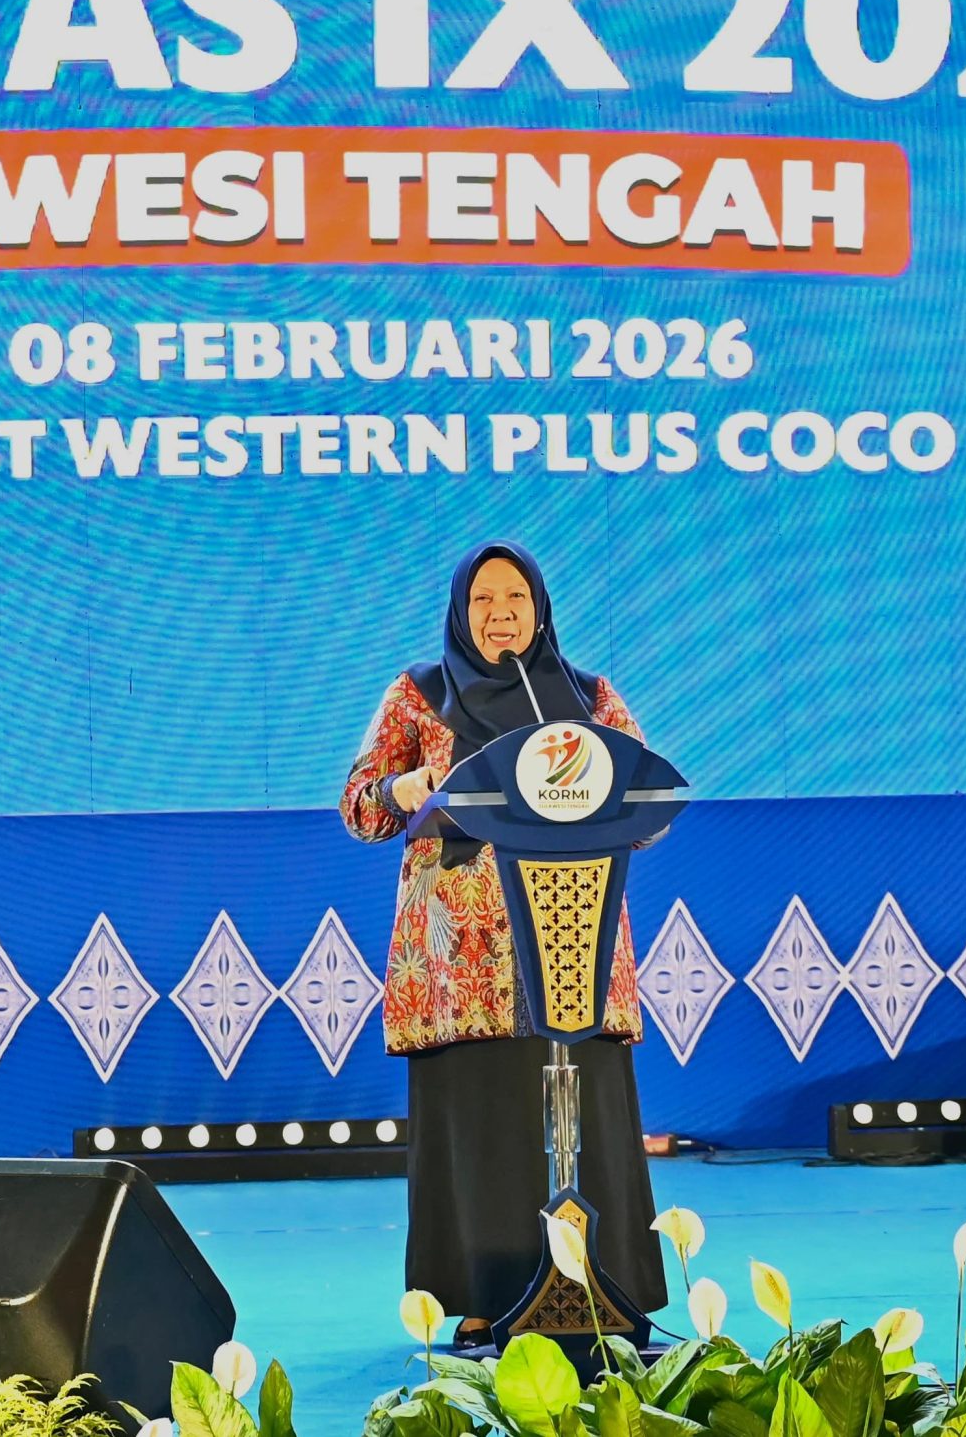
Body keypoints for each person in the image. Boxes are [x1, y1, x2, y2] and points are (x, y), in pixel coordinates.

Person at [338, 540, 668, 1342]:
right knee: (481, 1119)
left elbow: (649, 801)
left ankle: (598, 1283)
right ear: (461, 610)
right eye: (483, 600)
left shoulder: (587, 697)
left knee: (582, 1110)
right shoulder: (419, 695)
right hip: (463, 962)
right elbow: (359, 808)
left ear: (539, 608)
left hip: (573, 939)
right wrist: (405, 786)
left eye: (515, 598)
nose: (500, 614)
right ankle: (482, 1293)